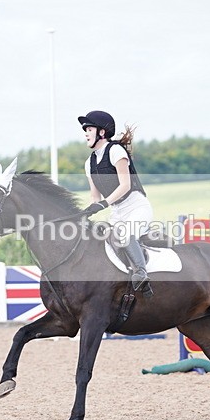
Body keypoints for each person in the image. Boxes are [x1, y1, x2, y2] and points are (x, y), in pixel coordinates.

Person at [78, 110, 153, 295]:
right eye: (85, 129)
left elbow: (125, 185)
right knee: (102, 242)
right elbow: (95, 196)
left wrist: (102, 204)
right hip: (117, 212)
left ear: (102, 132)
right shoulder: (89, 163)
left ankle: (141, 274)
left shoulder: (116, 151)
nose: (85, 133)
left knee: (125, 234)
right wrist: (87, 211)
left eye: (89, 128)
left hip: (136, 206)